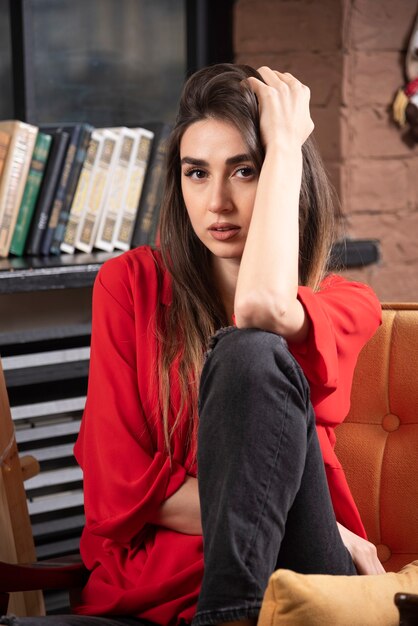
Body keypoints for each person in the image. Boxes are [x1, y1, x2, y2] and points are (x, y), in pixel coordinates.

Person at [0, 63, 384, 626]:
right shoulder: (130, 285)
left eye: (246, 171)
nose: (217, 203)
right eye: (197, 173)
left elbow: (261, 310)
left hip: (298, 571)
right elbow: (116, 484)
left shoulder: (348, 303)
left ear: (285, 180)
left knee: (250, 350)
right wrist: (316, 522)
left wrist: (285, 147)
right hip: (151, 587)